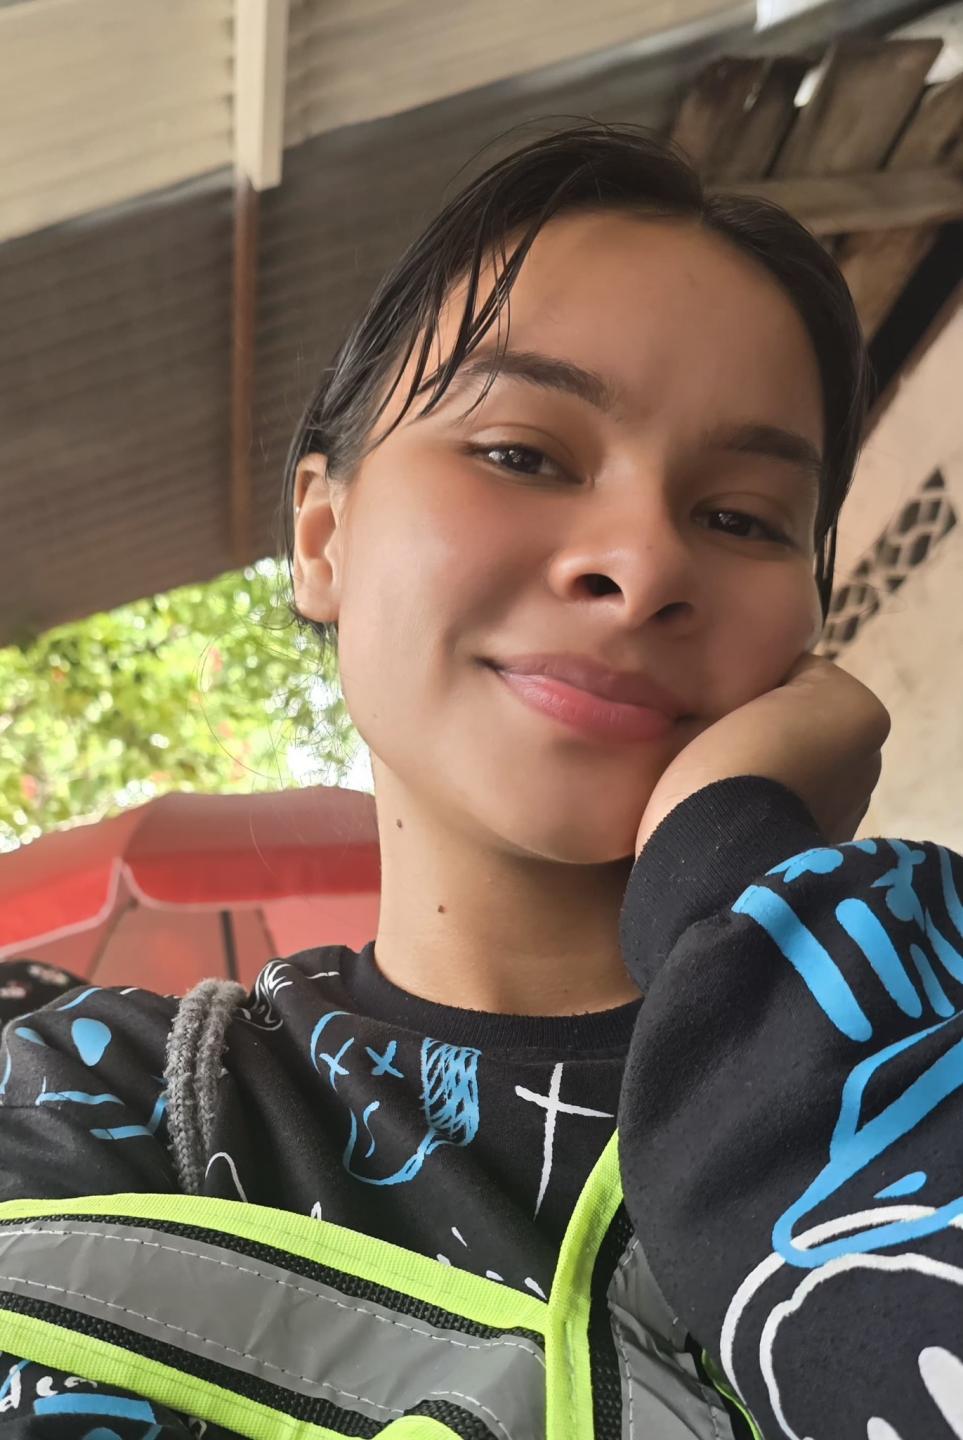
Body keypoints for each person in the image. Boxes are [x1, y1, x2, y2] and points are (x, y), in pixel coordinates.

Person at [0, 122, 959, 1440]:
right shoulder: (101, 1105)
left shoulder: (928, 1012)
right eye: (523, 453)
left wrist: (729, 861)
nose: (642, 563)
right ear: (323, 535)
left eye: (741, 517)